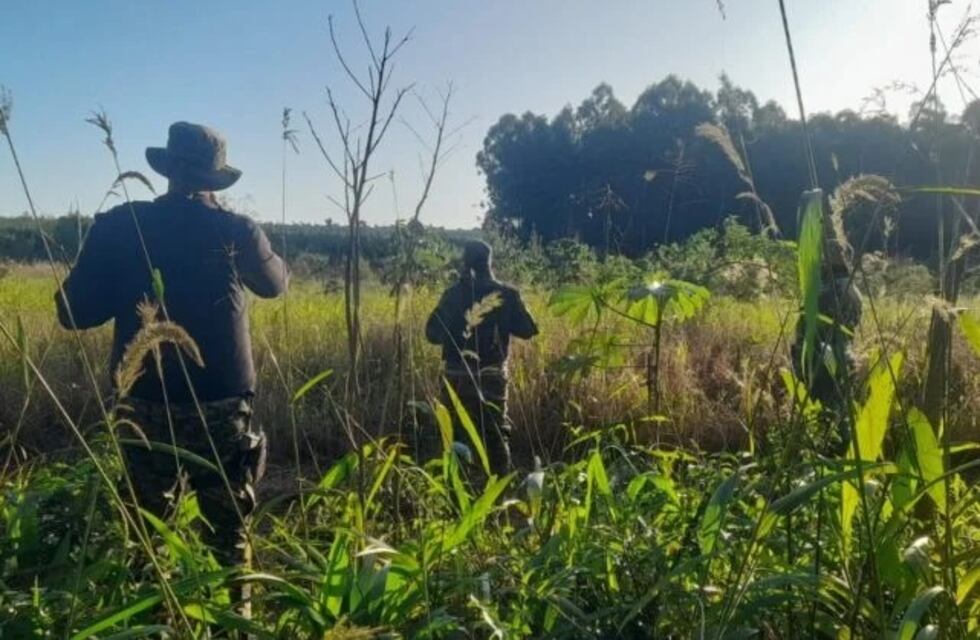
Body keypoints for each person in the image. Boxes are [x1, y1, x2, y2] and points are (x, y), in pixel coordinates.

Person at [55, 122, 287, 587]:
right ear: (215, 179)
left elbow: (72, 312)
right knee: (228, 536)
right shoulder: (235, 229)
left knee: (146, 531)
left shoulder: (121, 225)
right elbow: (275, 283)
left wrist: (125, 278)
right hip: (221, 406)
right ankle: (231, 623)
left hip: (142, 401)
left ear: (166, 170)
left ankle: (155, 620)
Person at [424, 240, 538, 476]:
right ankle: (498, 492)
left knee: (455, 433)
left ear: (465, 263)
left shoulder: (453, 294)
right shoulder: (507, 294)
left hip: (456, 376)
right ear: (489, 262)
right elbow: (529, 329)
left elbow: (432, 334)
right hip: (492, 378)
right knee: (496, 433)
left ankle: (455, 489)